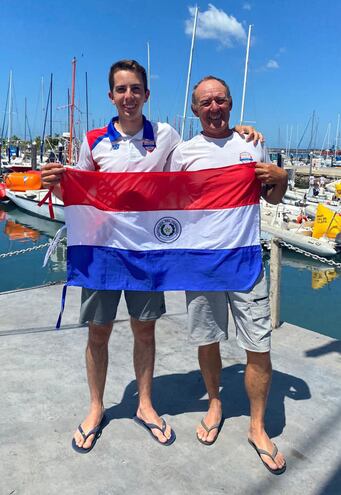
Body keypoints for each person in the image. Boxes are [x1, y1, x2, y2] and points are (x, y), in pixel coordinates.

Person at [41, 61, 260, 453]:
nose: (129, 97)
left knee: (145, 330)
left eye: (135, 89)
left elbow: (199, 162)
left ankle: (144, 404)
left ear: (146, 94)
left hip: (148, 255)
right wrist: (57, 186)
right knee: (98, 334)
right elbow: (76, 198)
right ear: (111, 96)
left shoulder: (166, 136)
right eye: (121, 90)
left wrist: (240, 129)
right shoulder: (93, 141)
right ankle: (96, 408)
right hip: (102, 255)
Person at [169, 75, 288, 475]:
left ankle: (257, 426)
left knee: (259, 346)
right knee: (208, 340)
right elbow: (164, 204)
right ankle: (215, 403)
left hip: (245, 262)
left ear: (231, 104)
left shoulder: (251, 143)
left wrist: (283, 181)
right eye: (206, 102)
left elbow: (269, 195)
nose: (214, 107)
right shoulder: (183, 153)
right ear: (195, 110)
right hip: (200, 265)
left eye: (220, 100)